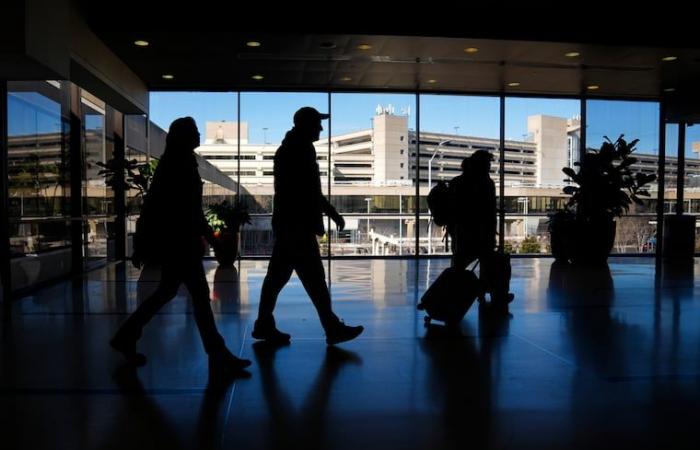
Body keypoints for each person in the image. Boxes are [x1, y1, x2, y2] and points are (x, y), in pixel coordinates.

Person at [110, 117, 251, 376]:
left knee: (169, 292)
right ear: (184, 137)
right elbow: (190, 212)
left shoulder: (175, 162)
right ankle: (217, 354)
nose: (199, 135)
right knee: (197, 295)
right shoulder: (180, 164)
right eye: (195, 132)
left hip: (176, 242)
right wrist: (213, 240)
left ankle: (127, 335)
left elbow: (160, 207)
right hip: (181, 243)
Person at [252, 107, 364, 345]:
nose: (321, 128)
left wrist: (328, 212)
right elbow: (308, 191)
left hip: (290, 225)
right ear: (306, 125)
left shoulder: (294, 148)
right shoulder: (298, 151)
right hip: (297, 226)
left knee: (279, 279)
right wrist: (331, 212)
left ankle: (264, 324)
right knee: (312, 280)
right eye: (317, 123)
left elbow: (306, 190)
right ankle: (331, 328)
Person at [449, 150, 513, 308]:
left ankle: (451, 297)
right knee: (490, 264)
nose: (489, 167)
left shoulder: (458, 182)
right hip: (482, 232)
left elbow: (456, 208)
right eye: (487, 164)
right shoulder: (486, 183)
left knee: (459, 266)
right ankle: (494, 294)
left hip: (463, 231)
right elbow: (488, 209)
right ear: (481, 165)